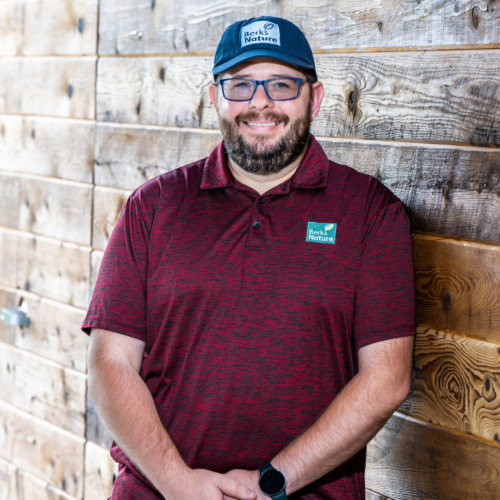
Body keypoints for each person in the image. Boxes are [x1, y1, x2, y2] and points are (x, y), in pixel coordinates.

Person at [83, 16, 415, 500]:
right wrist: (179, 484)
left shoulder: (370, 212)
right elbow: (109, 363)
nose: (260, 102)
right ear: (216, 97)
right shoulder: (154, 207)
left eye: (281, 84)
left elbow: (388, 378)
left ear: (314, 98)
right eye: (240, 85)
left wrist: (274, 481)